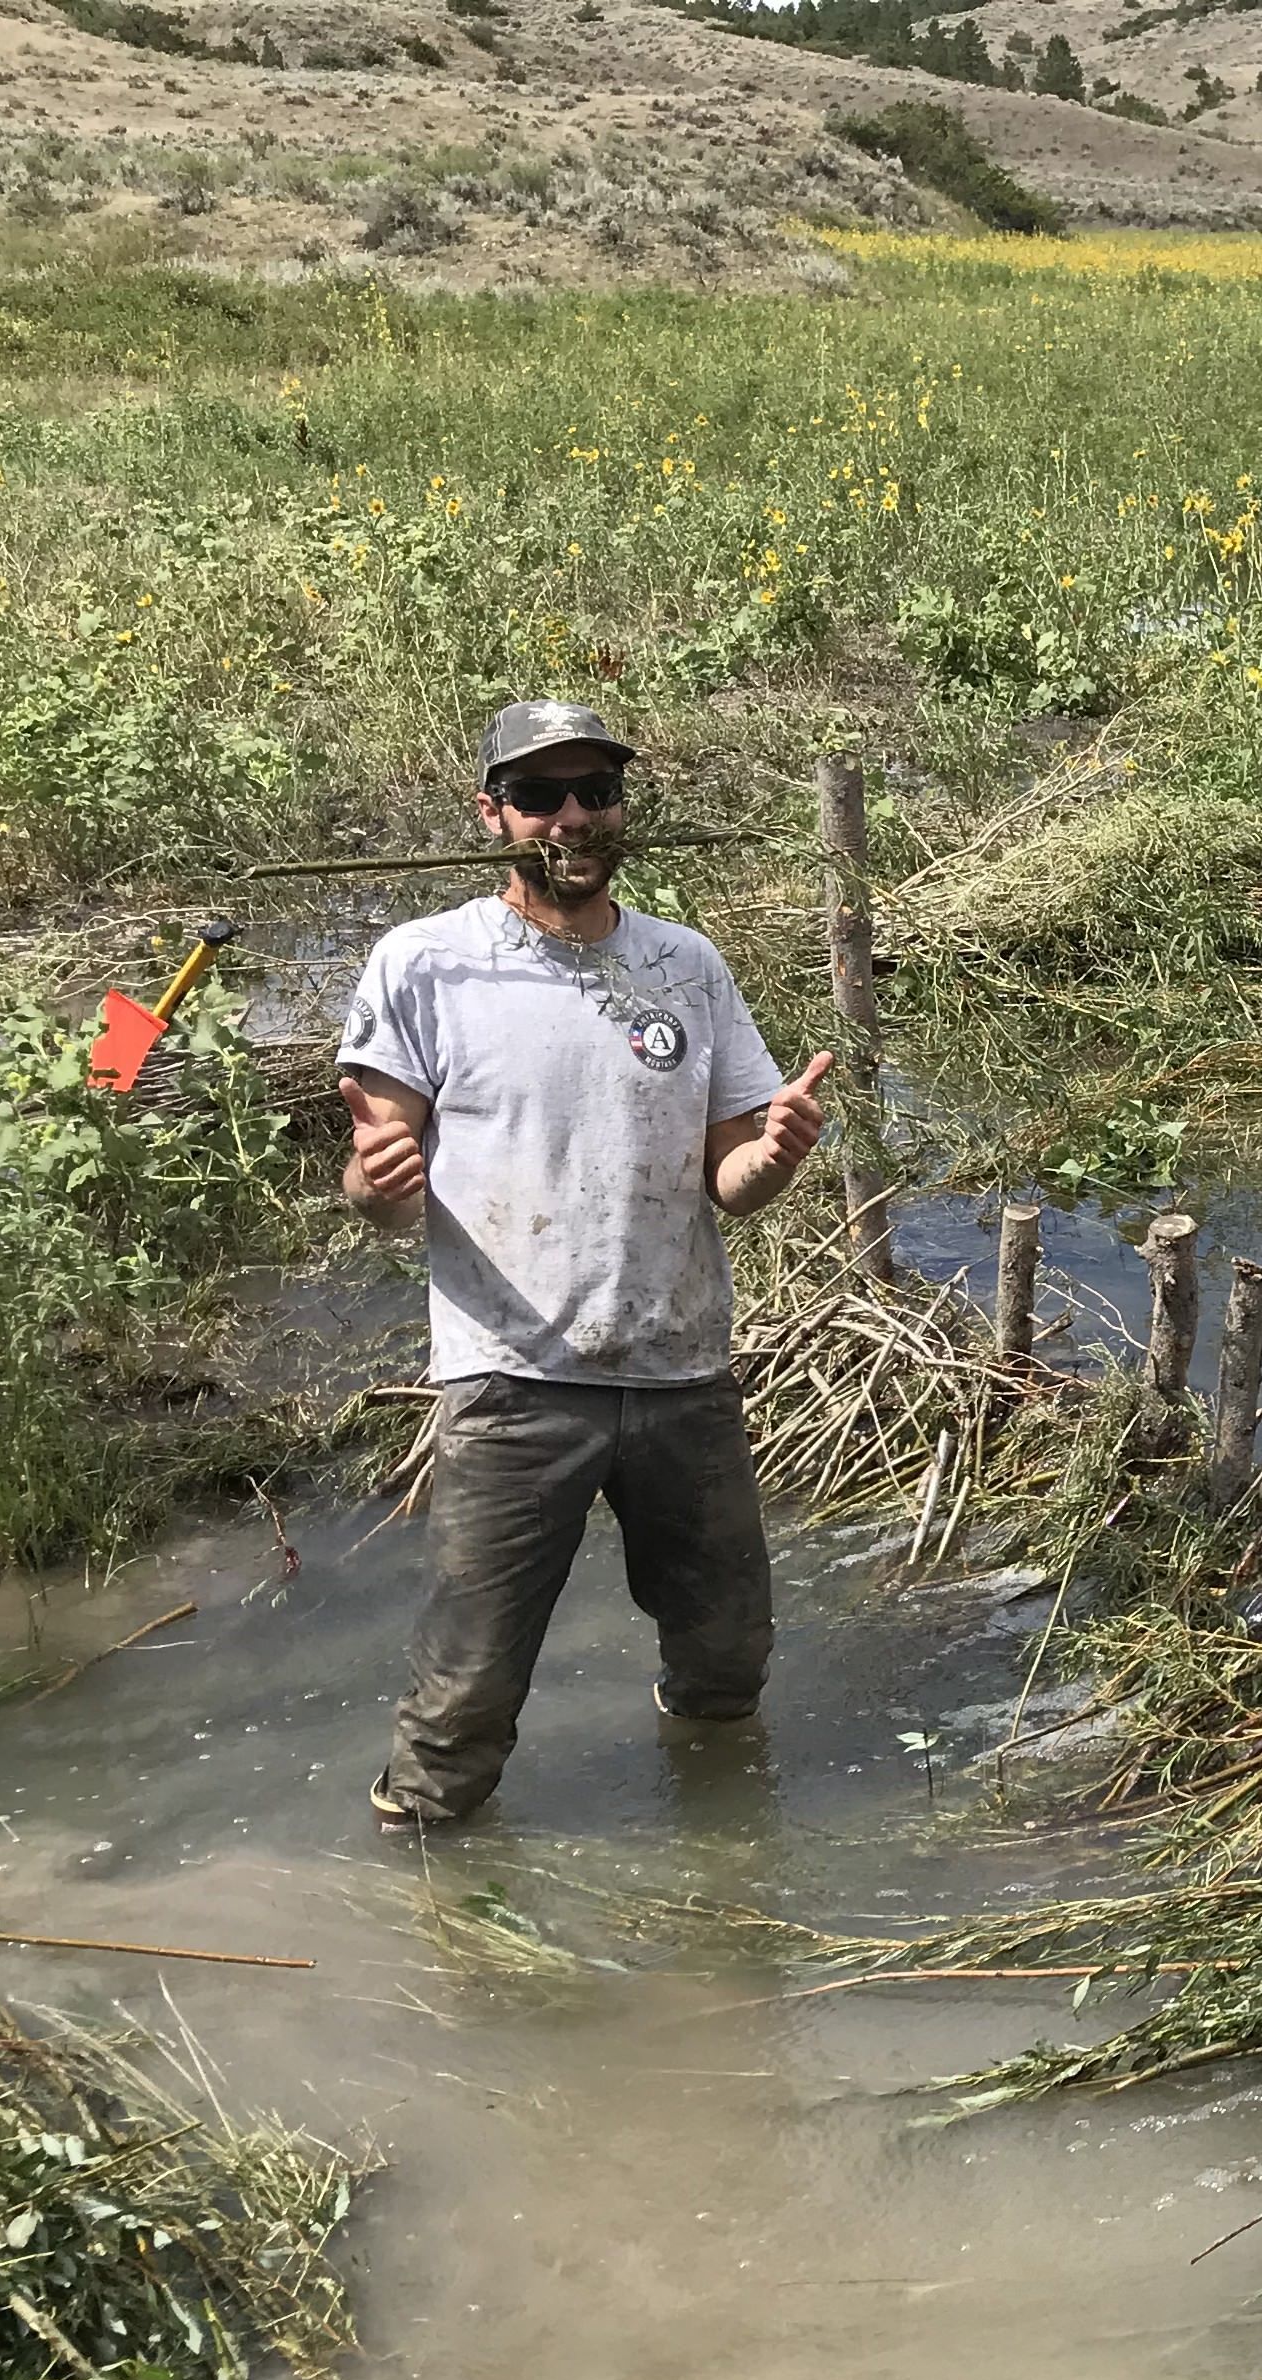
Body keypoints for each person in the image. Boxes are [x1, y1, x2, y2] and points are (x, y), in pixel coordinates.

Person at [338, 699, 838, 1832]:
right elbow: (372, 1187)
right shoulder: (426, 964)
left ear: (621, 811)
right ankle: (429, 1890)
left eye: (595, 793)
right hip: (511, 1379)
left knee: (727, 1662)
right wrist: (380, 1179)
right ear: (492, 814)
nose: (571, 815)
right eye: (539, 796)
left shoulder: (686, 966)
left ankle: (720, 1865)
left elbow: (732, 1184)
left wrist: (778, 1151)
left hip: (681, 1369)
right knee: (463, 1698)